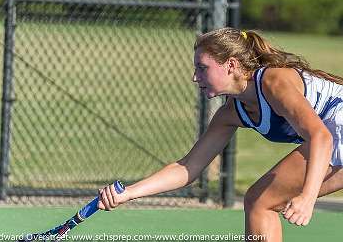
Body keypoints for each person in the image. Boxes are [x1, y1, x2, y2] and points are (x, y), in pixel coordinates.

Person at [97, 27, 343, 242]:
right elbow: (187, 167)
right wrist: (129, 193)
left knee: (261, 201)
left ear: (232, 65)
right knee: (261, 201)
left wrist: (307, 197)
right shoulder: (231, 114)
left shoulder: (273, 82)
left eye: (202, 68)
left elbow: (321, 137)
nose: (195, 77)